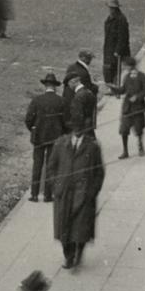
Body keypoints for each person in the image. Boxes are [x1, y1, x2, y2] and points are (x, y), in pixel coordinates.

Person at [46, 115, 105, 270]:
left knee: (81, 228)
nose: (78, 131)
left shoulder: (92, 147)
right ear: (71, 128)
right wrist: (56, 185)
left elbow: (99, 172)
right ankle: (68, 256)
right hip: (64, 194)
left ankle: (79, 253)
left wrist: (92, 191)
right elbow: (51, 167)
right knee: (64, 227)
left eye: (81, 128)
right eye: (76, 128)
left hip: (83, 194)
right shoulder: (60, 144)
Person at [25, 71, 66, 202]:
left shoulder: (37, 100)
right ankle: (48, 195)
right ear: (55, 86)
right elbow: (65, 121)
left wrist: (33, 129)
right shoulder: (60, 101)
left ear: (45, 86)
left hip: (39, 137)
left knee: (37, 165)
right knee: (50, 165)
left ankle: (34, 194)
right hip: (55, 137)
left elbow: (28, 119)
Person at [116, 56, 145, 159]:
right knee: (124, 129)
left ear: (131, 66)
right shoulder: (126, 76)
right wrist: (114, 89)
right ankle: (125, 151)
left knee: (139, 129)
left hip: (138, 107)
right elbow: (123, 90)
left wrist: (137, 97)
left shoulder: (142, 76)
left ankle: (140, 146)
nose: (125, 67)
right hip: (127, 107)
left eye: (126, 65)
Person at [61, 61, 100, 135]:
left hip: (82, 132)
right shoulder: (89, 92)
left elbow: (77, 118)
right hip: (89, 129)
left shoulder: (78, 97)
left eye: (68, 84)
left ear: (72, 82)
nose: (69, 87)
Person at [102, 0, 130, 85]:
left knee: (114, 68)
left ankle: (114, 86)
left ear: (116, 8)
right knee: (107, 67)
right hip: (109, 47)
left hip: (115, 49)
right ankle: (110, 85)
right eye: (110, 8)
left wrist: (118, 51)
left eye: (113, 8)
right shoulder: (110, 17)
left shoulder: (121, 19)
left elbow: (123, 37)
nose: (111, 9)